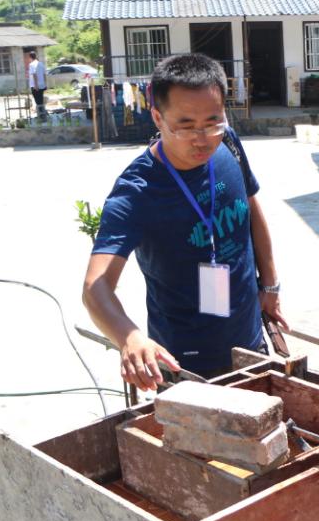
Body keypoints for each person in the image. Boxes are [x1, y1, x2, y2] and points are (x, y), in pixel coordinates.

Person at [82, 53, 287, 389]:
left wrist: (270, 284)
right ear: (157, 117)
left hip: (250, 344)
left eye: (213, 122)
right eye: (186, 126)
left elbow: (251, 208)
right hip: (186, 367)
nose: (202, 138)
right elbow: (95, 288)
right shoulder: (137, 192)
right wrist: (129, 337)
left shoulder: (228, 143)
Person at [27, 51, 47, 120]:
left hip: (35, 86)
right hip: (42, 85)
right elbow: (44, 74)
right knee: (41, 100)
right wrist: (45, 83)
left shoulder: (31, 64)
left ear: (30, 57)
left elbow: (34, 74)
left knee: (37, 101)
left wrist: (36, 85)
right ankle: (43, 114)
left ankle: (41, 116)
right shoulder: (41, 64)